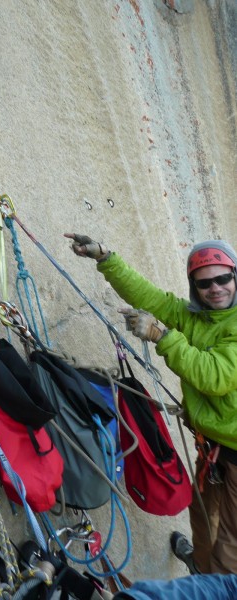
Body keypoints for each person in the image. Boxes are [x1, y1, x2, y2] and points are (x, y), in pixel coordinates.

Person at [64, 233, 237, 575]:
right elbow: (151, 297)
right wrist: (106, 258)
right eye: (204, 283)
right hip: (214, 450)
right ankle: (199, 569)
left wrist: (161, 336)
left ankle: (213, 587)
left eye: (223, 279)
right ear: (194, 287)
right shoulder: (196, 316)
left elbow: (216, 376)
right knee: (203, 520)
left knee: (230, 548)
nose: (215, 288)